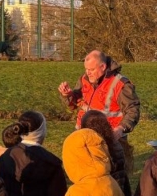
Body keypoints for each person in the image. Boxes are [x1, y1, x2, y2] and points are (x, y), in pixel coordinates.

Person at [58, 50, 141, 182]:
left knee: (110, 177)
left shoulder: (120, 84)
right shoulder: (84, 79)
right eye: (86, 69)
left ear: (102, 67)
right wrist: (67, 95)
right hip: (84, 135)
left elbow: (133, 110)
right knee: (84, 174)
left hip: (110, 138)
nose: (88, 73)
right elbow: (75, 103)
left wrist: (121, 129)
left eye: (91, 69)